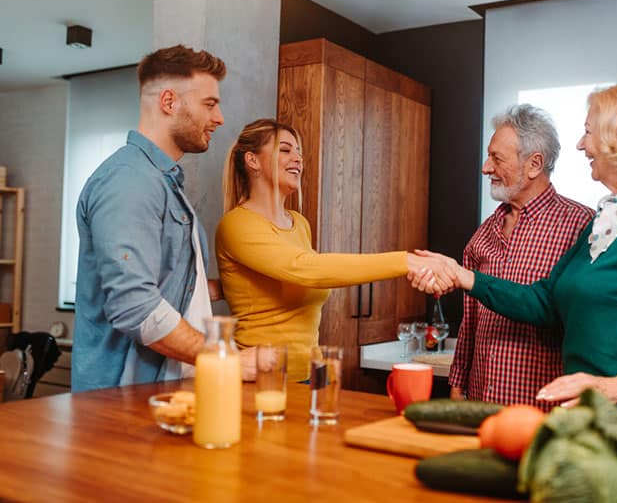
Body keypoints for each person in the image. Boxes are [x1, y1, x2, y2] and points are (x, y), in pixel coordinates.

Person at [415, 81, 617, 434]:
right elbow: (547, 301)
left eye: (588, 132)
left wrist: (612, 386)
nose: (581, 145)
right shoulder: (607, 219)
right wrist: (463, 276)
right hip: (592, 424)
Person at [72, 44, 256, 392]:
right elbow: (135, 306)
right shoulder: (129, 180)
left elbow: (171, 283)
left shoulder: (162, 181)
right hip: (123, 404)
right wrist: (225, 357)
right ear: (169, 102)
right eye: (210, 104)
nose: (220, 118)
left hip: (163, 394)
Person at [215, 118, 455, 381]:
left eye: (299, 152)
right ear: (253, 160)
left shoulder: (299, 224)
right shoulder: (237, 224)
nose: (297, 159)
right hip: (261, 379)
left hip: (311, 375)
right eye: (285, 150)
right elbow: (305, 268)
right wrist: (406, 261)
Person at [449, 104, 593, 408]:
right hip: (480, 407)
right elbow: (470, 322)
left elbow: (586, 324)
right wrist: (458, 383)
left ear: (534, 164)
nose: (485, 167)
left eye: (496, 158)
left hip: (546, 413)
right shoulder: (483, 234)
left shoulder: (581, 226)